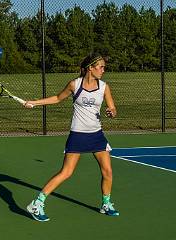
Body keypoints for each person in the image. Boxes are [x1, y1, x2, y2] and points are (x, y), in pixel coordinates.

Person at [23, 53, 119, 222]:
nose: (103, 70)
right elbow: (58, 98)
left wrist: (112, 112)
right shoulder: (75, 84)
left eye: (104, 67)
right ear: (91, 68)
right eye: (101, 67)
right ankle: (36, 204)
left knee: (108, 172)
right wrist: (35, 102)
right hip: (78, 135)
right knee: (66, 172)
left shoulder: (104, 87)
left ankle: (106, 204)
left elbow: (113, 108)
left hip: (97, 135)